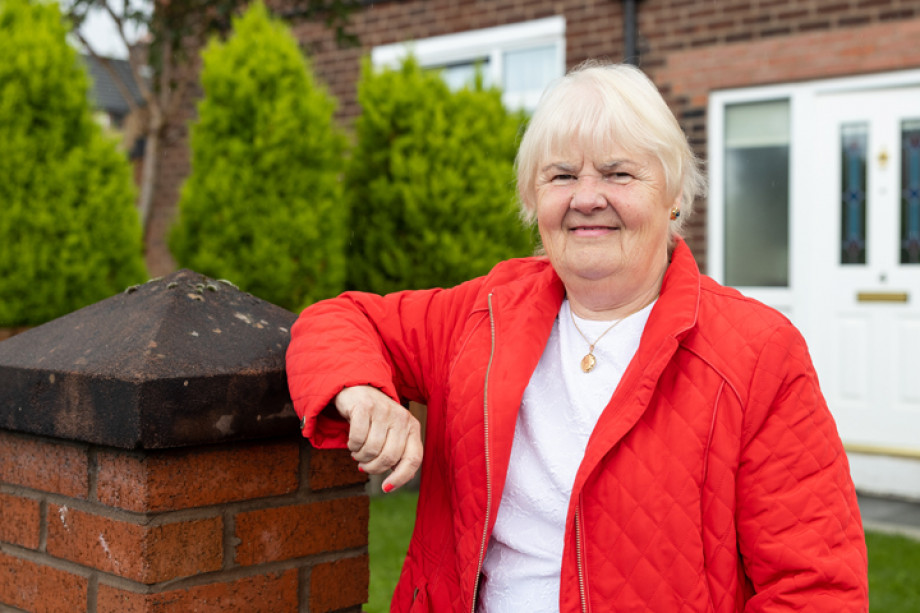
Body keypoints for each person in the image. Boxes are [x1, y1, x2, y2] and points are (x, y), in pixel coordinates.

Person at [286, 61, 868, 612]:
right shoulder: (481, 314)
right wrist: (362, 391)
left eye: (618, 173)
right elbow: (338, 319)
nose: (587, 197)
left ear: (672, 199)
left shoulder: (758, 352)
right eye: (562, 176)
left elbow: (816, 586)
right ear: (532, 199)